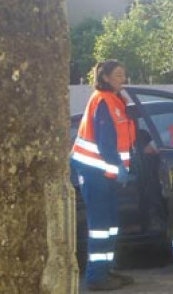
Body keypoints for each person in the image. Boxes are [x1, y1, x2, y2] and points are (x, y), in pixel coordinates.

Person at [70, 60, 136, 291]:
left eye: (123, 75)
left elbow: (124, 137)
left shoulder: (117, 100)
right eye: (118, 75)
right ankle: (96, 278)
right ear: (105, 77)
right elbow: (106, 141)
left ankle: (106, 271)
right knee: (100, 226)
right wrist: (118, 167)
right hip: (95, 172)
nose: (123, 79)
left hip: (105, 174)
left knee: (110, 225)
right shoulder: (102, 101)